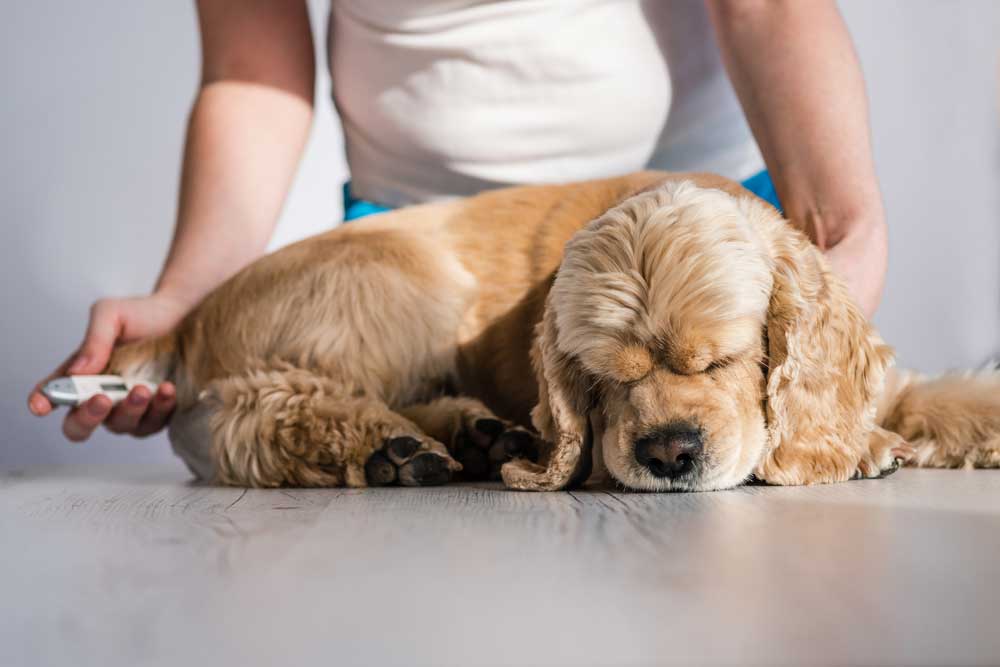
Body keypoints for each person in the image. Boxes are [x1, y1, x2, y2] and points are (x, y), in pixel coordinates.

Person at [28, 0, 888, 444]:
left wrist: (840, 231)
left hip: (686, 249)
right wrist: (191, 295)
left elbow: (767, 6)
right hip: (415, 257)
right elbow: (254, 66)